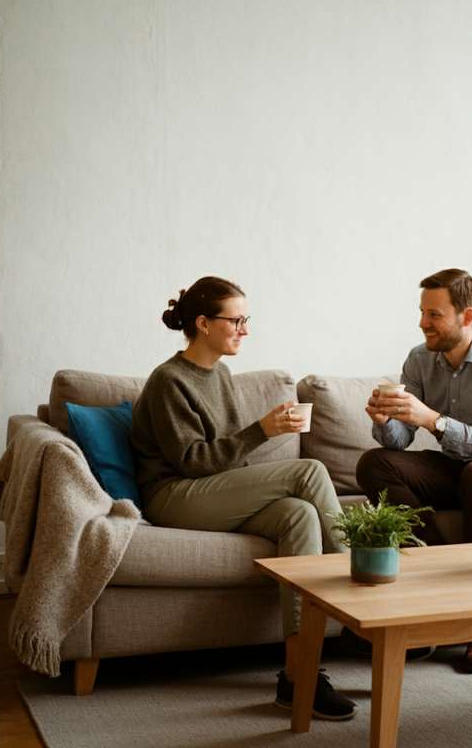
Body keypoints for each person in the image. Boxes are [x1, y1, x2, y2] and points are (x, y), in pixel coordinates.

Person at [129, 276, 357, 721]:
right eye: (236, 320)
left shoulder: (222, 373)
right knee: (308, 471)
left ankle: (298, 675)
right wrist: (262, 431)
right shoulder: (168, 381)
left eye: (245, 320)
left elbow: (227, 461)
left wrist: (259, 443)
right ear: (203, 323)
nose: (244, 330)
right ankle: (361, 594)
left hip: (208, 491)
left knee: (299, 516)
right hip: (172, 494)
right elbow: (192, 461)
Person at [356, 268, 472, 673]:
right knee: (374, 463)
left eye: (434, 315)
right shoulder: (419, 359)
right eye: (422, 312)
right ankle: (435, 566)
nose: (423, 323)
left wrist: (434, 420)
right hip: (458, 467)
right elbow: (399, 442)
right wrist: (384, 421)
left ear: (467, 316)